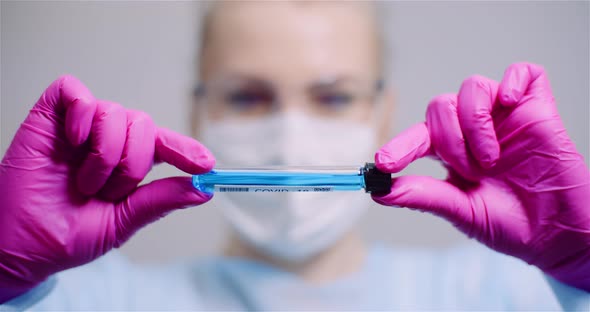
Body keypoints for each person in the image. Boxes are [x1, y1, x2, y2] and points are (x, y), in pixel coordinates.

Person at [1, 1, 589, 310]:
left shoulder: (512, 298)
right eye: (247, 96)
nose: (289, 129)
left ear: (383, 116)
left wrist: (582, 273)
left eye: (333, 97)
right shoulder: (89, 301)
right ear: (197, 110)